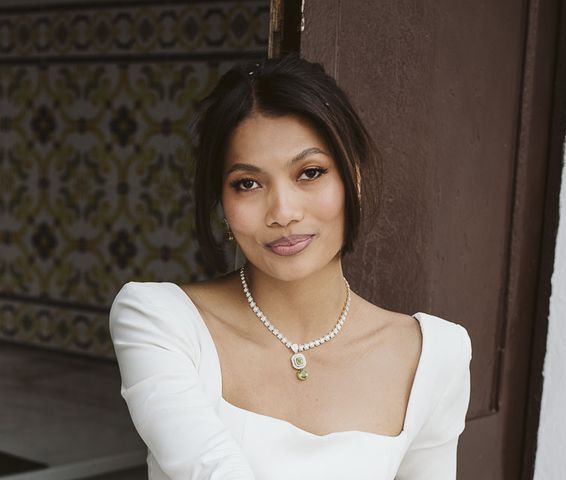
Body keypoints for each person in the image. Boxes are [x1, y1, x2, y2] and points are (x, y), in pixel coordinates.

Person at [109, 53, 472, 480]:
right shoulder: (161, 321)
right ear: (222, 203)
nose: (283, 211)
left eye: (310, 173)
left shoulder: (434, 355)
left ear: (351, 176)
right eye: (248, 183)